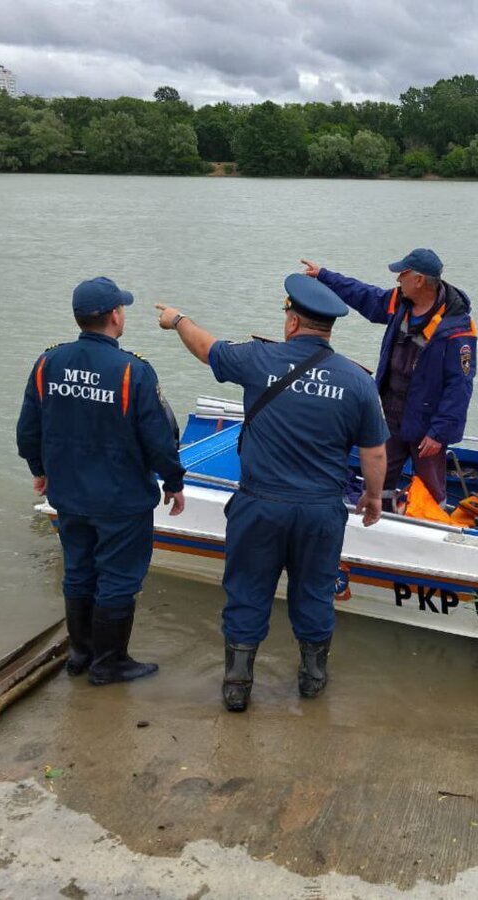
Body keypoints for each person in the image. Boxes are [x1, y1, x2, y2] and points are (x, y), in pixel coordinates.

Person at [155, 274, 387, 712]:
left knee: (247, 589)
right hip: (320, 510)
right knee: (315, 591)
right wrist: (373, 498)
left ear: (293, 322)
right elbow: (374, 452)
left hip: (260, 505)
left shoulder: (258, 359)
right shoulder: (357, 382)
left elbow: (207, 348)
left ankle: (238, 684)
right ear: (328, 327)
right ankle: (312, 679)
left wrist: (178, 319)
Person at [16, 276, 186, 687]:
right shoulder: (133, 371)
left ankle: (81, 653)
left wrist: (39, 469)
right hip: (120, 499)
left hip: (69, 495)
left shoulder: (48, 363)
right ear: (114, 316)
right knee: (119, 577)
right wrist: (174, 481)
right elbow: (160, 438)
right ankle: (109, 663)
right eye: (122, 309)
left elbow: (28, 428)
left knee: (78, 569)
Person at [301, 250, 476, 510]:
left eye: (402, 274)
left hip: (427, 423)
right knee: (377, 477)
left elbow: (460, 385)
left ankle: (428, 530)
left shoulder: (458, 328)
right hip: (390, 411)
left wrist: (439, 433)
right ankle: (372, 521)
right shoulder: (400, 302)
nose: (397, 280)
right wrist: (325, 276)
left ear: (418, 280)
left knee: (430, 490)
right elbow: (365, 295)